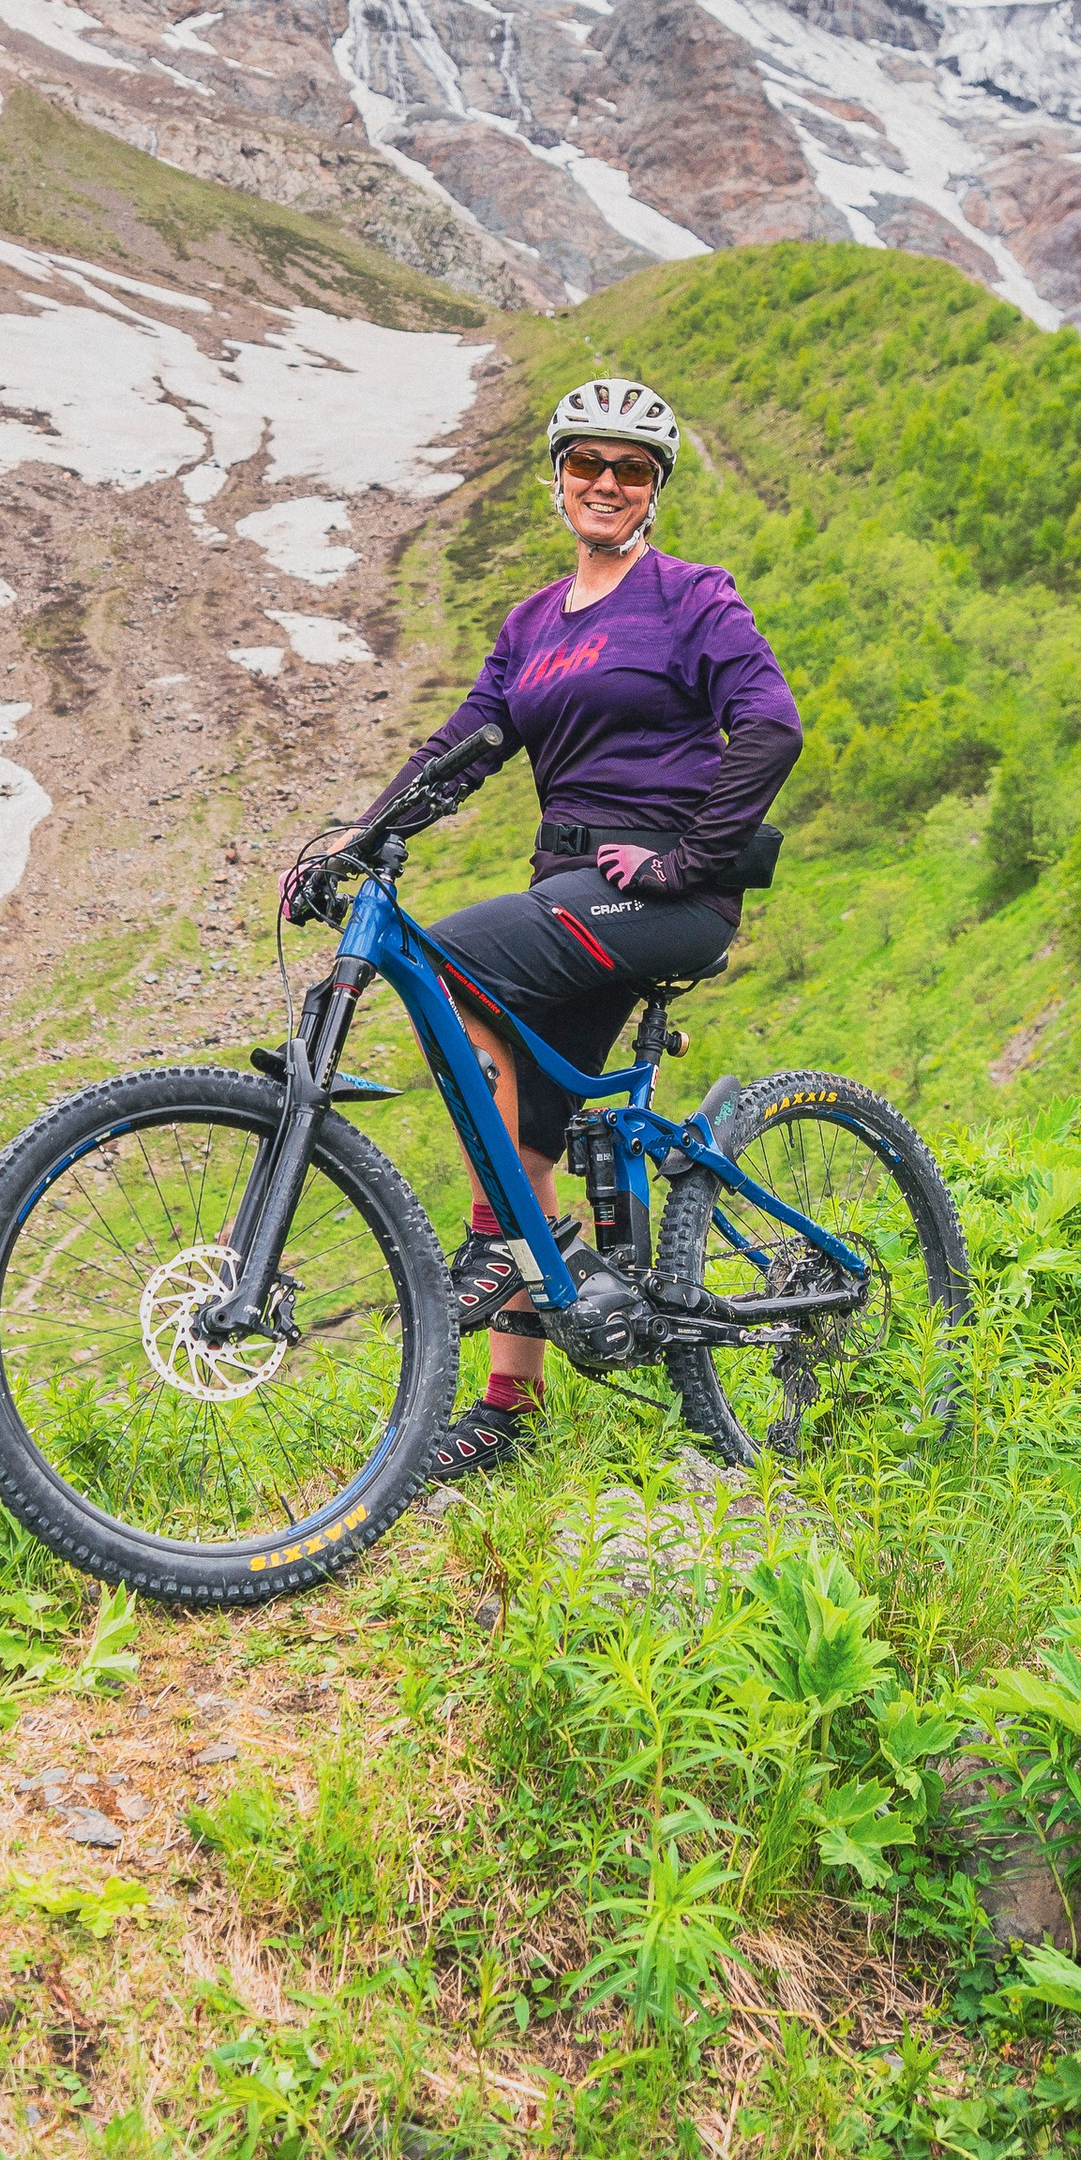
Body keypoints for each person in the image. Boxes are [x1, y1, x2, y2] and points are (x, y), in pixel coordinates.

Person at [290, 375, 802, 1483]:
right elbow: (464, 743)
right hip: (570, 899)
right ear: (558, 480)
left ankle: (508, 1244)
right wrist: (357, 839)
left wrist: (689, 858)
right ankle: (507, 1405)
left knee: (455, 958)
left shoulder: (688, 598)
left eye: (630, 469)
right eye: (587, 466)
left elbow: (769, 726)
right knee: (518, 1126)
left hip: (661, 899)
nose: (605, 485)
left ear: (653, 490)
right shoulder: (530, 623)